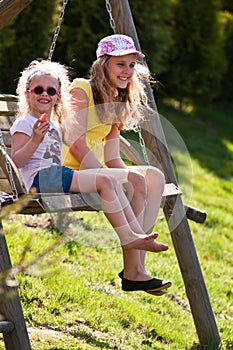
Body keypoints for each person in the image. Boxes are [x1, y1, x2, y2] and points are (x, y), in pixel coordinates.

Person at [10, 59, 171, 295]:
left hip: (57, 177)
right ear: (27, 94)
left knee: (108, 181)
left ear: (57, 97)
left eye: (51, 90)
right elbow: (17, 162)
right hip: (38, 182)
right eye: (38, 90)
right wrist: (34, 139)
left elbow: (63, 154)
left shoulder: (53, 125)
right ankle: (130, 236)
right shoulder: (25, 123)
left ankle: (134, 235)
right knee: (106, 180)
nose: (45, 94)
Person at [62, 34, 172, 294]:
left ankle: (136, 269)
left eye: (132, 65)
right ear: (104, 64)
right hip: (70, 167)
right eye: (120, 64)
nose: (127, 71)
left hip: (95, 169)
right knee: (133, 179)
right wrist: (113, 176)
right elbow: (75, 142)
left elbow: (112, 157)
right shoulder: (81, 89)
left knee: (153, 176)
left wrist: (134, 179)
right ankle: (134, 271)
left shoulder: (116, 98)